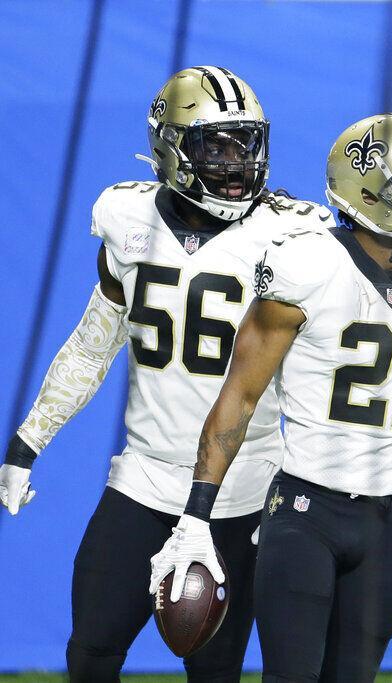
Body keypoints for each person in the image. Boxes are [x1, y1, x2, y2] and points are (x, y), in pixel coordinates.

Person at [0, 66, 333, 682]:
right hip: (144, 479)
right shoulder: (127, 221)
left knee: (214, 669)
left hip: (243, 490)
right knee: (91, 650)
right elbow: (92, 344)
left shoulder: (289, 233)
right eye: (218, 146)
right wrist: (28, 442)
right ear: (171, 147)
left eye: (248, 144)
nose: (239, 164)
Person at [148, 112, 392, 683]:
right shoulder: (306, 264)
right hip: (307, 511)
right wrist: (195, 517)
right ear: (371, 192)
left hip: (389, 521)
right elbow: (239, 398)